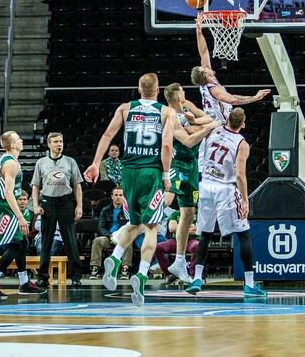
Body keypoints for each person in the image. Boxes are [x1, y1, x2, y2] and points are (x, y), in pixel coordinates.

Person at [83, 72, 176, 307]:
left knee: (135, 223)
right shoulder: (166, 112)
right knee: (152, 227)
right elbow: (166, 145)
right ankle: (142, 274)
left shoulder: (125, 108)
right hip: (151, 172)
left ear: (138, 88)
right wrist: (166, 176)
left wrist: (95, 162)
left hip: (128, 173)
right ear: (157, 90)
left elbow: (107, 135)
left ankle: (114, 258)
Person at [186, 108, 265, 297]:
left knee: (205, 234)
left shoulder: (213, 129)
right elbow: (239, 175)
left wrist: (191, 119)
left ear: (227, 118)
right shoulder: (242, 143)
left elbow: (192, 128)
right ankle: (249, 284)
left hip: (205, 186)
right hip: (226, 189)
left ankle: (197, 278)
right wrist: (245, 200)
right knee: (243, 234)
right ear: (243, 124)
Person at [190, 14, 270, 173]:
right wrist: (255, 97)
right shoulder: (215, 90)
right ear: (205, 75)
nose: (205, 65)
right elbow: (233, 100)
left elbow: (204, 52)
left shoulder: (208, 81)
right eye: (203, 68)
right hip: (217, 130)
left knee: (209, 166)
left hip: (215, 126)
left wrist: (199, 30)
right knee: (212, 168)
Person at [0, 131, 44, 298]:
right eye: (18, 139)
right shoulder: (11, 164)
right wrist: (20, 216)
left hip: (2, 204)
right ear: (13, 145)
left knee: (22, 242)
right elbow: (8, 193)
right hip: (4, 207)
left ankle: (24, 283)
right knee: (15, 245)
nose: (22, 140)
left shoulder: (4, 159)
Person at [162, 82, 214, 283]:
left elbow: (208, 117)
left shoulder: (188, 105)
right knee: (167, 200)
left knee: (189, 212)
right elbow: (190, 139)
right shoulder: (168, 114)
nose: (185, 93)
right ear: (177, 96)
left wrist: (196, 121)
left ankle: (179, 261)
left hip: (192, 165)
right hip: (176, 162)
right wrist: (205, 127)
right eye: (182, 91)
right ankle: (135, 221)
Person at [31, 132, 85, 288]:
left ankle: (75, 276)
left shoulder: (70, 162)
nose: (59, 144)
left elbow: (77, 185)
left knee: (70, 240)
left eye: (60, 141)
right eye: (55, 142)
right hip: (48, 202)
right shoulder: (41, 162)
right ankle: (42, 277)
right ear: (49, 144)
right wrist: (35, 205)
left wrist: (79, 206)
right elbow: (35, 186)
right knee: (46, 240)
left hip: (66, 201)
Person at [90, 187, 133, 279]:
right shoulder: (105, 210)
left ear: (124, 197)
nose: (118, 197)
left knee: (128, 242)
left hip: (123, 238)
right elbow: (101, 227)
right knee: (97, 241)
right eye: (116, 195)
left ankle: (125, 269)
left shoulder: (128, 211)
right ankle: (95, 268)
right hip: (109, 237)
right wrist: (109, 236)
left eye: (120, 195)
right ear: (112, 197)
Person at [156, 209, 200, 285]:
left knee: (197, 246)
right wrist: (190, 229)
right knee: (158, 247)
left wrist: (180, 229)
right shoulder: (176, 214)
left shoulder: (199, 213)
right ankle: (169, 275)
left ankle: (192, 275)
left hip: (192, 240)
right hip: (176, 240)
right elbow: (172, 228)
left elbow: (199, 229)